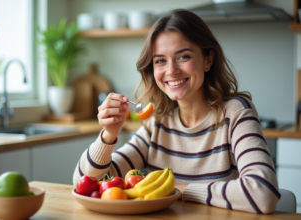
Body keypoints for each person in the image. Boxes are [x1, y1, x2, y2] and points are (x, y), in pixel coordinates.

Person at [73, 9, 280, 214]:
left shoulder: (235, 113)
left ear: (208, 60)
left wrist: (180, 190)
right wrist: (107, 136)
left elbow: (263, 193)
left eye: (183, 57)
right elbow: (86, 184)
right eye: (160, 60)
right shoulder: (157, 123)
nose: (171, 70)